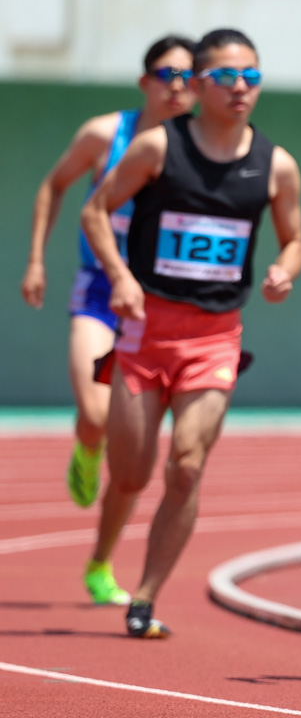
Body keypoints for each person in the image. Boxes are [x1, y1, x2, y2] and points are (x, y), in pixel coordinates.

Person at [81, 28, 301, 638]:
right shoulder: (157, 147)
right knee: (132, 474)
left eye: (251, 76)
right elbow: (95, 211)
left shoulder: (276, 165)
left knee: (186, 465)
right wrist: (120, 277)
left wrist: (285, 268)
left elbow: (294, 239)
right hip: (145, 331)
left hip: (214, 338)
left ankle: (145, 598)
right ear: (199, 84)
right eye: (227, 76)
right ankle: (103, 549)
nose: (241, 87)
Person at [21, 35, 196, 606]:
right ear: (145, 82)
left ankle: (100, 563)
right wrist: (37, 259)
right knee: (96, 414)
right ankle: (86, 445)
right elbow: (54, 185)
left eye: (188, 77)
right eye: (167, 75)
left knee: (135, 453)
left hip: (159, 309)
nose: (178, 86)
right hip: (99, 293)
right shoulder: (105, 134)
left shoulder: (201, 148)